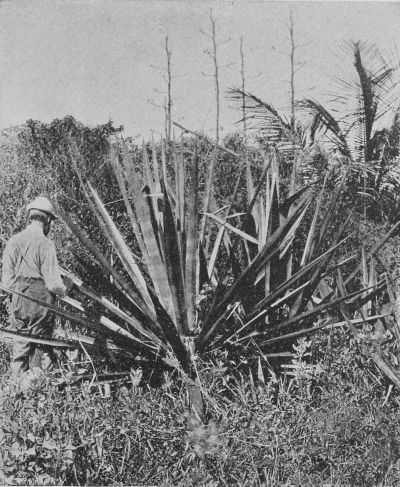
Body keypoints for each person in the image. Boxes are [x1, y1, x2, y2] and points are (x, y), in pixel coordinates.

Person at [1, 196, 73, 376]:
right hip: (41, 303)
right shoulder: (46, 244)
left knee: (20, 345)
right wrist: (67, 288)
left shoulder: (14, 241)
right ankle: (37, 389)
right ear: (48, 219)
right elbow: (53, 284)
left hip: (19, 299)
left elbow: (6, 282)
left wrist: (19, 297)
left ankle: (16, 390)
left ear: (31, 217)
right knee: (40, 349)